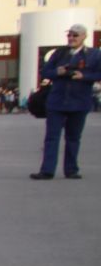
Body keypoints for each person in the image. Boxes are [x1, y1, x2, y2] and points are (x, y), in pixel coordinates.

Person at [30, 21, 98, 180]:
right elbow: (45, 72)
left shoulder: (94, 54)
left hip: (79, 102)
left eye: (75, 35)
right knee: (51, 137)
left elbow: (99, 74)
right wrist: (57, 71)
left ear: (84, 37)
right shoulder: (59, 53)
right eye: (69, 35)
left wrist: (84, 76)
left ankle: (71, 170)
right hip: (57, 101)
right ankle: (47, 170)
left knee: (73, 138)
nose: (71, 38)